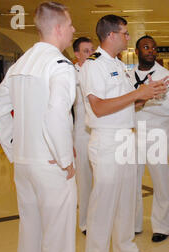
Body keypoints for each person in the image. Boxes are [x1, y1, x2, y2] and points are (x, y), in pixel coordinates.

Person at [0, 1, 78, 252]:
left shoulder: (20, 65)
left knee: (29, 238)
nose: (73, 30)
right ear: (57, 29)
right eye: (70, 25)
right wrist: (66, 160)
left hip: (25, 166)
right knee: (58, 246)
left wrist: (15, 151)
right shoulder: (60, 66)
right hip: (51, 166)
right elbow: (56, 115)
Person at [79, 15, 168, 252]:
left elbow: (127, 105)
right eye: (125, 33)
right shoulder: (93, 66)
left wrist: (147, 95)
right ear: (111, 35)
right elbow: (100, 108)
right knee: (102, 206)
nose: (128, 38)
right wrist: (136, 94)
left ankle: (125, 247)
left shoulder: (118, 65)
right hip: (107, 142)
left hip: (128, 138)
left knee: (127, 199)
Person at [131, 35, 169, 242]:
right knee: (131, 181)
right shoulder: (127, 75)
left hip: (156, 133)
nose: (151, 51)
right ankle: (133, 223)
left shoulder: (165, 76)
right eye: (146, 47)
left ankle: (162, 226)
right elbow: (120, 103)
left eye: (153, 48)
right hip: (131, 133)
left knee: (160, 181)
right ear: (137, 51)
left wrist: (148, 100)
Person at [72, 37, 95, 235]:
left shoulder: (97, 70)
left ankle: (103, 218)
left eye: (92, 50)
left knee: (103, 179)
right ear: (77, 54)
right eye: (86, 51)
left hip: (100, 130)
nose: (90, 54)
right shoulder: (70, 74)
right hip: (81, 132)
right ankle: (86, 222)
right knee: (84, 180)